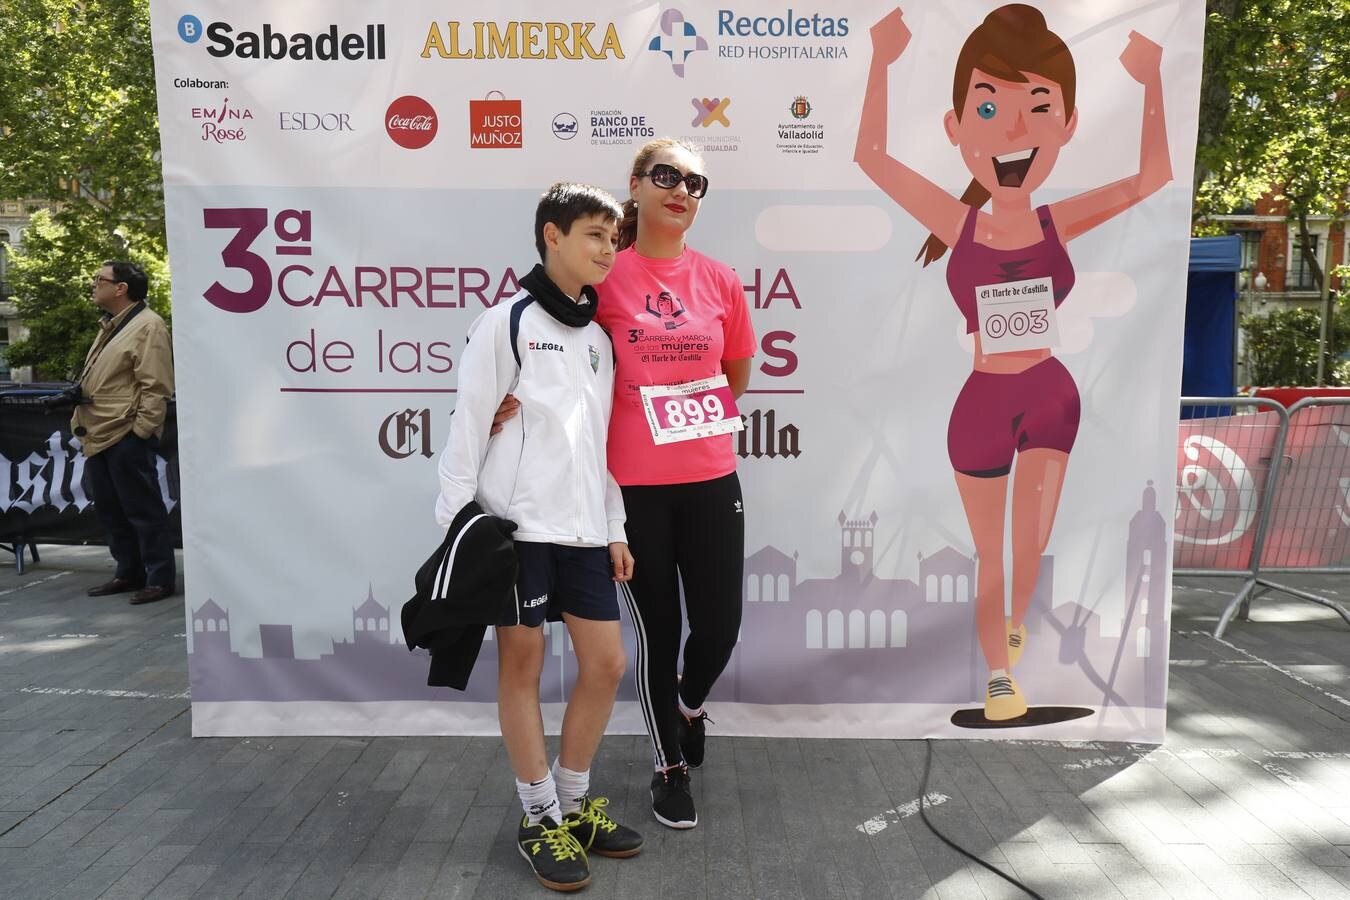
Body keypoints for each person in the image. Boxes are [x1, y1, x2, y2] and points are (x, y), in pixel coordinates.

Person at [854, 5, 1171, 720]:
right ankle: (1002, 674)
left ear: (1066, 124)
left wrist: (1152, 82)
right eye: (989, 106)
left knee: (1029, 549)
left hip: (1050, 396)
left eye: (1038, 107)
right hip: (982, 407)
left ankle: (1013, 624)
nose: (1014, 129)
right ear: (956, 126)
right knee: (988, 552)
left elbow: (1152, 175)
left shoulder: (1059, 220)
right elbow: (871, 159)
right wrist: (881, 60)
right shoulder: (956, 221)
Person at [435, 183, 643, 892]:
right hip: (517, 530)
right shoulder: (507, 321)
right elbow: (468, 425)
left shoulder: (601, 337)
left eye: (614, 237)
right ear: (551, 236)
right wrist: (458, 527)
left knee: (607, 665)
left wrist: (612, 524)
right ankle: (538, 817)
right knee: (520, 669)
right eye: (593, 234)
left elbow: (598, 445)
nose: (607, 248)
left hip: (585, 529)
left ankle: (574, 806)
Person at [601, 138, 754, 828]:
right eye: (667, 176)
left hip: (709, 477)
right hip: (633, 490)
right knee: (659, 633)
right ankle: (668, 767)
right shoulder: (605, 275)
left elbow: (737, 372)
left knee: (719, 628)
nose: (681, 190)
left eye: (696, 182)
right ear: (636, 185)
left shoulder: (720, 280)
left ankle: (690, 706)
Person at [77, 260, 177, 605]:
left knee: (143, 509)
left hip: (124, 433)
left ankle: (160, 579)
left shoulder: (148, 326)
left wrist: (141, 432)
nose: (93, 284)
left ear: (121, 288)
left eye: (99, 279)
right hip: (100, 432)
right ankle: (129, 572)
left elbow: (157, 386)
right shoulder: (113, 325)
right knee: (111, 509)